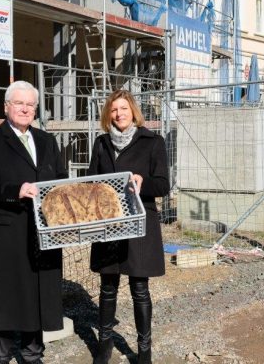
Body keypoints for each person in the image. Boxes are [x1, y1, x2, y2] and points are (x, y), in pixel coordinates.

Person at [0, 80, 67, 364]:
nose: (25, 109)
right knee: (5, 291)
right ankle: (0, 354)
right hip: (8, 228)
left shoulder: (47, 141)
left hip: (43, 229)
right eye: (19, 103)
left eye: (30, 105)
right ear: (6, 106)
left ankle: (32, 352)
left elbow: (61, 179)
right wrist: (15, 191)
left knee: (38, 290)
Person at [88, 90, 170, 364]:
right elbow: (91, 182)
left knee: (139, 288)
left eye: (123, 108)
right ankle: (104, 347)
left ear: (133, 111)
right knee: (107, 286)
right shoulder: (101, 143)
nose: (119, 114)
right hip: (108, 222)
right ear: (107, 114)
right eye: (113, 110)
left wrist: (142, 181)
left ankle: (144, 350)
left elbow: (163, 185)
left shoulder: (152, 141)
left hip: (139, 222)